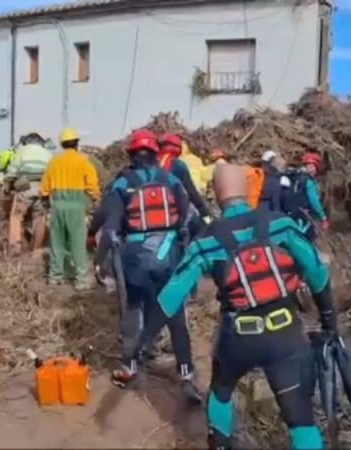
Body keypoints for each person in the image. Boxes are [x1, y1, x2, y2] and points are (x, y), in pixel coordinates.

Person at [121, 163, 335, 450]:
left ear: (217, 196)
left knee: (221, 393)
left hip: (238, 339)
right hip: (285, 334)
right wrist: (329, 320)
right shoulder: (280, 223)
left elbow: (171, 295)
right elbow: (317, 272)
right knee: (301, 421)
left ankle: (220, 443)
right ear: (247, 190)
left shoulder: (207, 240)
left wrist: (143, 342)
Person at [103, 129, 201, 403]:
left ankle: (129, 367)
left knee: (134, 310)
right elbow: (188, 219)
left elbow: (111, 224)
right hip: (170, 257)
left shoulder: (122, 184)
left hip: (135, 259)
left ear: (132, 155)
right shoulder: (171, 180)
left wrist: (103, 261)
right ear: (156, 155)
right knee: (175, 315)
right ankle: (186, 375)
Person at [40, 128, 100, 290]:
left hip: (58, 206)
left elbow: (44, 188)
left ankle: (55, 277)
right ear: (77, 144)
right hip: (76, 207)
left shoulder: (54, 162)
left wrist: (45, 201)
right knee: (78, 244)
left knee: (57, 243)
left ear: (62, 144)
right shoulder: (83, 161)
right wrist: (96, 199)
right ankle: (81, 280)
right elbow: (92, 186)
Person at [4, 132, 53, 254]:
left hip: (25, 187)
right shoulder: (48, 154)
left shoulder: (22, 151)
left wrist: (7, 183)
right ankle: (37, 250)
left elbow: (12, 171)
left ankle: (15, 248)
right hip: (43, 189)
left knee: (16, 216)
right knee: (39, 218)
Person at [158, 133, 213, 236]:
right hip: (172, 213)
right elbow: (191, 192)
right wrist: (204, 212)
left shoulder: (152, 163)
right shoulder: (178, 165)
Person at [277, 152, 329, 242]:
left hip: (288, 213)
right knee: (308, 239)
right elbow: (314, 201)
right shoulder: (308, 180)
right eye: (314, 167)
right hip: (303, 215)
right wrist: (323, 218)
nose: (314, 170)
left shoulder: (294, 177)